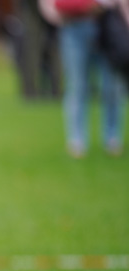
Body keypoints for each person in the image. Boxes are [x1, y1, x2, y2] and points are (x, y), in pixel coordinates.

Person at [39, 0, 129, 157]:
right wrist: (59, 15)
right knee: (76, 86)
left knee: (112, 87)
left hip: (106, 26)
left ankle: (112, 138)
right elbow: (47, 4)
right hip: (73, 28)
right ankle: (77, 140)